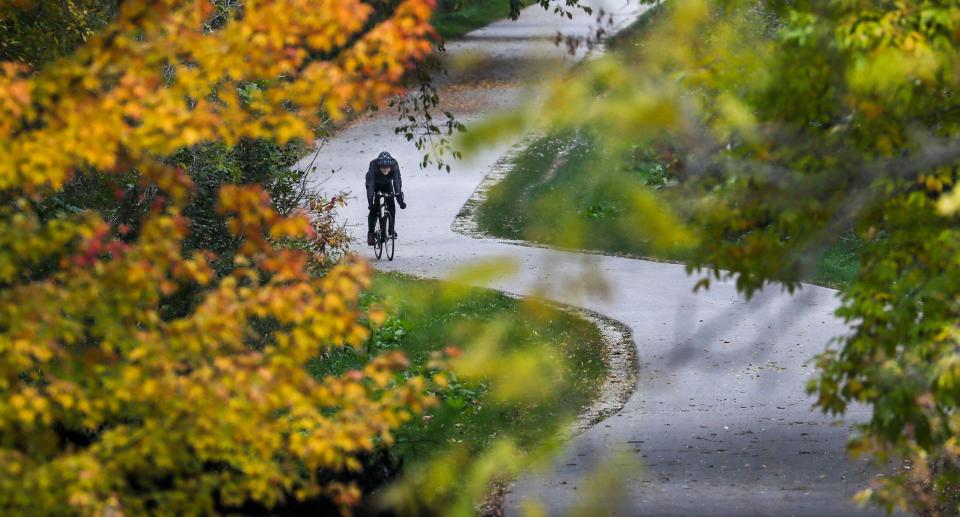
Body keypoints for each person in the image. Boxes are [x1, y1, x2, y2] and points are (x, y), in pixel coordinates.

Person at [366, 151, 406, 245]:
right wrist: (370, 203)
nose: (385, 170)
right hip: (374, 185)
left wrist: (400, 201)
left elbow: (397, 181)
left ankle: (391, 229)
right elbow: (370, 186)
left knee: (391, 204)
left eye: (387, 168)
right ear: (379, 166)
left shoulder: (394, 164)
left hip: (387, 185)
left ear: (391, 166)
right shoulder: (373, 165)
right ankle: (371, 233)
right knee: (374, 209)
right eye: (383, 168)